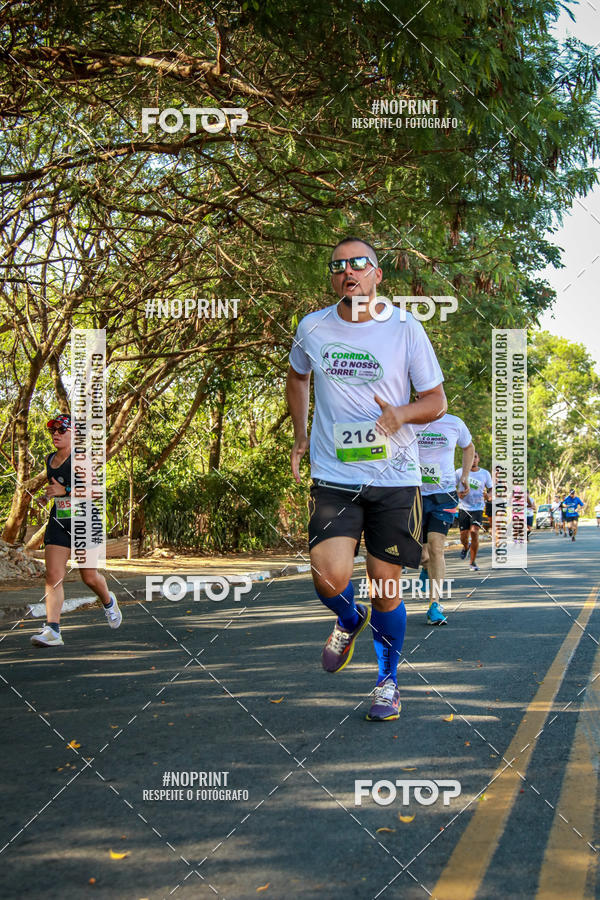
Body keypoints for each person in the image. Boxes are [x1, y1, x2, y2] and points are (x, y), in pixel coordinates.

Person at [287, 236, 446, 722]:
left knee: (385, 586)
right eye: (338, 266)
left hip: (394, 476)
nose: (348, 272)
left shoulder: (405, 328)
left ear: (377, 274)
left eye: (359, 263)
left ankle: (387, 682)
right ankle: (348, 617)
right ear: (333, 277)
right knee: (327, 575)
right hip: (335, 473)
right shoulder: (312, 327)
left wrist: (401, 414)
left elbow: (435, 401)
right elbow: (297, 376)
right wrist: (299, 434)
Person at [30, 414, 122, 647]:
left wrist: (66, 491)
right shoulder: (50, 459)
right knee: (53, 575)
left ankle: (109, 601)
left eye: (62, 430)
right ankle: (53, 630)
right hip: (60, 521)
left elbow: (95, 491)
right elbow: (56, 488)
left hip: (85, 521)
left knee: (88, 576)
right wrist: (46, 497)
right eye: (53, 430)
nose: (56, 434)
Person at [416, 413, 474, 625]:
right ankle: (425, 567)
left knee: (436, 548)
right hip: (414, 494)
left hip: (445, 495)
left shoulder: (454, 423)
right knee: (421, 555)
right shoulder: (410, 419)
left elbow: (468, 447)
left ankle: (435, 605)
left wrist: (465, 476)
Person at [456, 451, 493, 572]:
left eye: (475, 457)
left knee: (474, 531)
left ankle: (472, 562)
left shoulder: (485, 473)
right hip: (463, 507)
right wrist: (458, 494)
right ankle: (466, 547)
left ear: (478, 459)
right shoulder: (459, 472)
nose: (473, 459)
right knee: (463, 536)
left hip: (478, 507)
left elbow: (491, 489)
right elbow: (450, 486)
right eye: (470, 457)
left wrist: (488, 496)